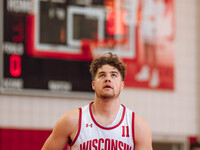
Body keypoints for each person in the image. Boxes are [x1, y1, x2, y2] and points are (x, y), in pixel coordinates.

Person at [42, 52, 153, 150]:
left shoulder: (137, 126)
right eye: (102, 75)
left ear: (122, 85)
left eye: (114, 75)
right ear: (93, 85)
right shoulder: (71, 121)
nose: (108, 79)